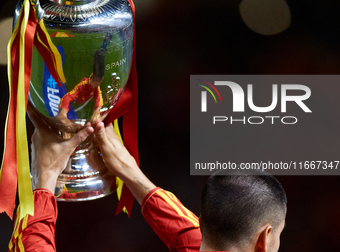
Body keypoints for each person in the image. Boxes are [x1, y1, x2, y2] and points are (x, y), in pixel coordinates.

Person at [8, 104, 286, 252]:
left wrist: (44, 181)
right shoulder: (205, 240)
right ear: (265, 239)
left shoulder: (202, 235)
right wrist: (131, 172)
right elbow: (193, 239)